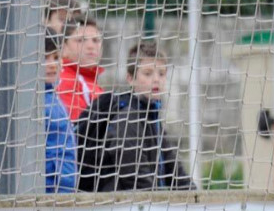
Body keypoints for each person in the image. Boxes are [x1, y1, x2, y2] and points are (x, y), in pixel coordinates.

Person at [76, 42, 193, 192]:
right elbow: (136, 177)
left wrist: (195, 199)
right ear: (130, 79)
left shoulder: (152, 117)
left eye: (161, 73)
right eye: (148, 73)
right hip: (120, 208)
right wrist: (162, 203)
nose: (156, 79)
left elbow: (174, 170)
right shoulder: (128, 118)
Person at [43, 30, 78, 193]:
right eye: (44, 58)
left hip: (65, 186)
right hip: (50, 189)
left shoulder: (54, 97)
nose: (51, 64)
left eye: (56, 58)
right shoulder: (35, 102)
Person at [58, 15, 104, 122]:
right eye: (81, 40)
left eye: (96, 40)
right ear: (63, 48)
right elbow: (79, 131)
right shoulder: (67, 82)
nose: (90, 46)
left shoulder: (88, 80)